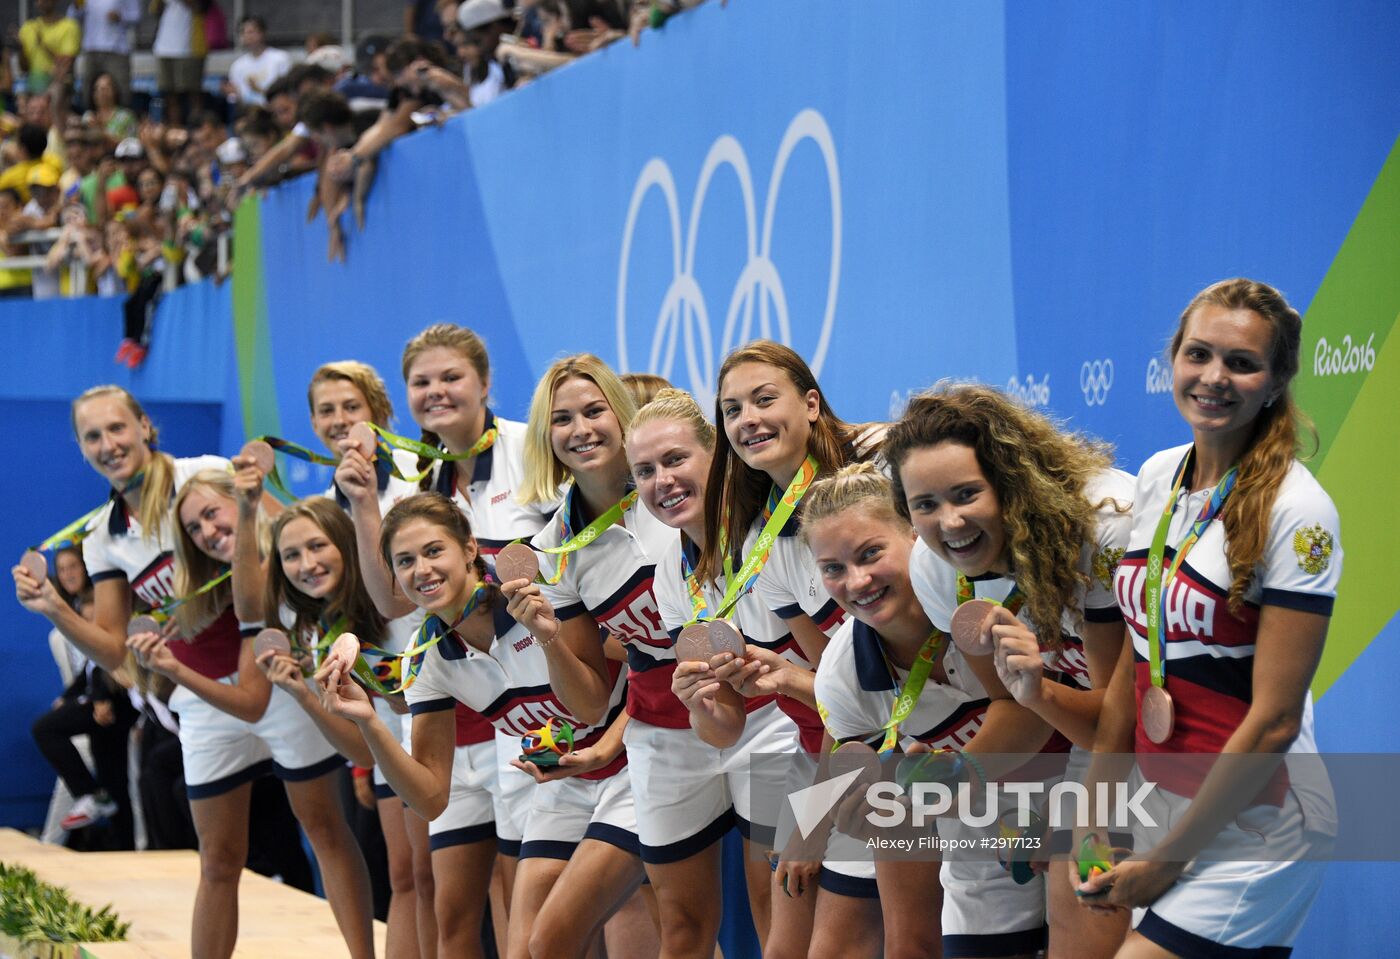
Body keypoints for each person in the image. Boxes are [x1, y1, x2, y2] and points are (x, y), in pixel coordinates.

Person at [1075, 278, 1341, 957]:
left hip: (1261, 817)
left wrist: (1170, 856)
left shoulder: (1298, 511)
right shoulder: (1161, 475)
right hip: (1175, 799)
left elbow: (1277, 718)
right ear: (1174, 360)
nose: (1215, 377)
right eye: (1199, 354)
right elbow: (1141, 649)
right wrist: (1099, 808)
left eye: (1242, 363)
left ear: (1277, 378)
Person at [320, 491, 631, 959]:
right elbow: (429, 798)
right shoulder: (427, 660)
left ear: (468, 548)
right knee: (527, 948)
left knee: (661, 934)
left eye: (432, 551)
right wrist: (370, 722)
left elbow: (647, 667)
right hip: (569, 783)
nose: (421, 570)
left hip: (638, 760)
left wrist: (550, 645)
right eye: (404, 561)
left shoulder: (534, 593)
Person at [883, 382, 1134, 957]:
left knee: (1089, 882)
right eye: (924, 505)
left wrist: (1040, 693)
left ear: (1012, 483)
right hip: (1106, 744)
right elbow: (1012, 709)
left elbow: (1114, 728)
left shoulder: (1101, 530)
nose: (949, 522)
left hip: (1197, 747)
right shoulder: (939, 570)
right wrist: (962, 771)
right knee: (1078, 902)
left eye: (967, 494)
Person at [125, 467, 375, 959]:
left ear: (243, 500)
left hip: (289, 694)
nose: (206, 532)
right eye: (193, 529)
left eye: (211, 514)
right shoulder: (203, 583)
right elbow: (247, 690)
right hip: (214, 705)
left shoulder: (287, 545)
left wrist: (248, 505)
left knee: (325, 829)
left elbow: (257, 698)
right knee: (217, 858)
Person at [696, 340, 882, 952]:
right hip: (844, 741)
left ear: (810, 403)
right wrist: (783, 678)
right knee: (782, 943)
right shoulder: (763, 542)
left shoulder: (879, 473)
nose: (747, 418)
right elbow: (836, 683)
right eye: (732, 410)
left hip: (924, 744)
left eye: (763, 399)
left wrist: (819, 814)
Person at [503, 352, 665, 959]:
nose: (581, 429)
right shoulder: (552, 549)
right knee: (549, 942)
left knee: (812, 930)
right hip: (665, 742)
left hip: (785, 728)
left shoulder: (677, 497)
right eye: (562, 419)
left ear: (623, 415)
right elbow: (596, 697)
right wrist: (546, 635)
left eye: (595, 411)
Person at [629, 387, 795, 957]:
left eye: (675, 460)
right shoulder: (669, 580)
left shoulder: (774, 535)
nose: (662, 481)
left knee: (783, 911)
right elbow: (724, 729)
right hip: (757, 734)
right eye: (645, 471)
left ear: (717, 455)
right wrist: (699, 701)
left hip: (816, 733)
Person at [152, 0, 211, 126]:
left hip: (190, 48)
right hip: (164, 46)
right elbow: (154, 10)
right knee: (169, 94)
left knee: (193, 93)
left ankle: (197, 127)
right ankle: (175, 128)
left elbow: (201, 7)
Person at [78, 0, 141, 109]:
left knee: (121, 91)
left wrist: (121, 17)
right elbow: (73, 16)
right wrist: (76, 7)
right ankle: (92, 121)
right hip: (92, 48)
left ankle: (122, 122)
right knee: (89, 91)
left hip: (117, 49)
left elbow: (136, 16)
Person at [225, 16, 292, 107]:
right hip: (248, 112)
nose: (248, 36)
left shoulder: (280, 58)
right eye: (243, 33)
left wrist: (259, 90)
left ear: (262, 33)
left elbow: (287, 91)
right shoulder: (237, 66)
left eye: (251, 32)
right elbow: (235, 98)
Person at [17, 0, 79, 95]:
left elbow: (66, 64)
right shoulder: (28, 27)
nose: (41, 2)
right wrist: (20, 49)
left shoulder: (69, 26)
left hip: (58, 85)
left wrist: (43, 45)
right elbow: (24, 68)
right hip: (34, 84)